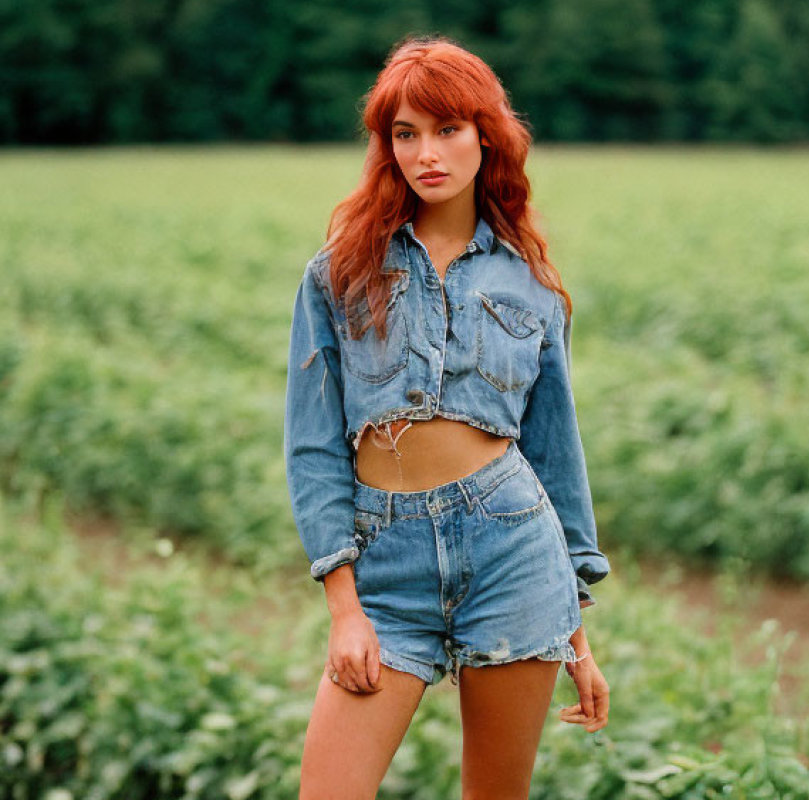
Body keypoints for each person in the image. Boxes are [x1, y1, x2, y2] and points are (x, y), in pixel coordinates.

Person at [284, 34, 611, 800]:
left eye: (447, 129)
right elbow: (312, 445)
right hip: (384, 563)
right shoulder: (339, 274)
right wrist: (344, 607)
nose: (425, 152)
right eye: (405, 133)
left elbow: (556, 456)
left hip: (513, 549)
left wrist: (576, 636)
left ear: (485, 135)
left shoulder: (531, 284)